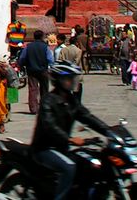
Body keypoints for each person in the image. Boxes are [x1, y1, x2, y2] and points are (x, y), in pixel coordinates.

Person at [30, 63, 110, 200]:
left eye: (73, 78)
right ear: (58, 80)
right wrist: (69, 139)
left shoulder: (71, 100)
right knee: (69, 167)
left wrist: (109, 131)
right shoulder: (48, 100)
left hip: (62, 147)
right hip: (45, 148)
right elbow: (50, 125)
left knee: (89, 163)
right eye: (69, 78)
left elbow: (87, 117)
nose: (72, 82)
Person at [19, 30, 53, 114]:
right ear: (42, 37)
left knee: (33, 89)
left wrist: (22, 66)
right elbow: (50, 59)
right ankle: (44, 107)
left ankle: (33, 108)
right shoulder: (45, 47)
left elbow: (22, 58)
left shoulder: (28, 47)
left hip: (31, 70)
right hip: (43, 70)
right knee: (44, 89)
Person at [55, 34, 83, 102]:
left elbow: (60, 60)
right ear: (76, 42)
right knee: (77, 92)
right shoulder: (78, 51)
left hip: (65, 73)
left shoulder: (64, 50)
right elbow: (77, 62)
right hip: (75, 73)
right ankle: (76, 105)